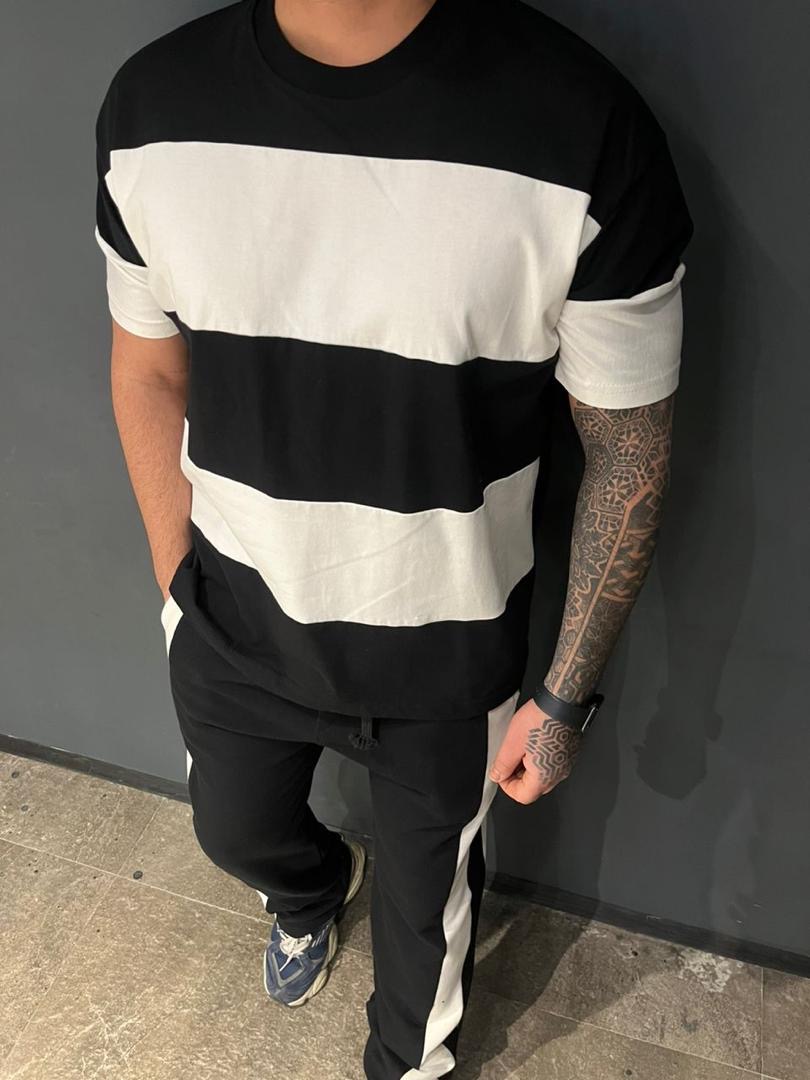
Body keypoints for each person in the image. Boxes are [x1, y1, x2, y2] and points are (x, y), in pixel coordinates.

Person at [93, 0, 694, 1075]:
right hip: (233, 621)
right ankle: (312, 889)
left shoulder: (582, 126)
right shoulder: (150, 108)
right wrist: (175, 582)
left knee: (422, 993)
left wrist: (564, 698)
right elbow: (147, 365)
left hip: (444, 663)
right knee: (233, 836)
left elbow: (629, 452)